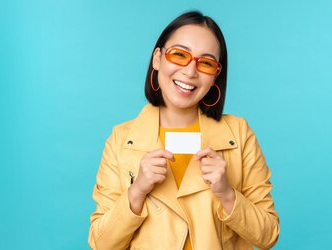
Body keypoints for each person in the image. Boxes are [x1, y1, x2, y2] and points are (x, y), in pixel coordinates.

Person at [88, 11, 279, 250]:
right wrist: (137, 191)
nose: (190, 71)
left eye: (206, 63)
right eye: (179, 55)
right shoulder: (121, 140)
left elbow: (268, 236)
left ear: (215, 75)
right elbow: (100, 243)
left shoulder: (238, 134)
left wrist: (227, 194)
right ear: (157, 59)